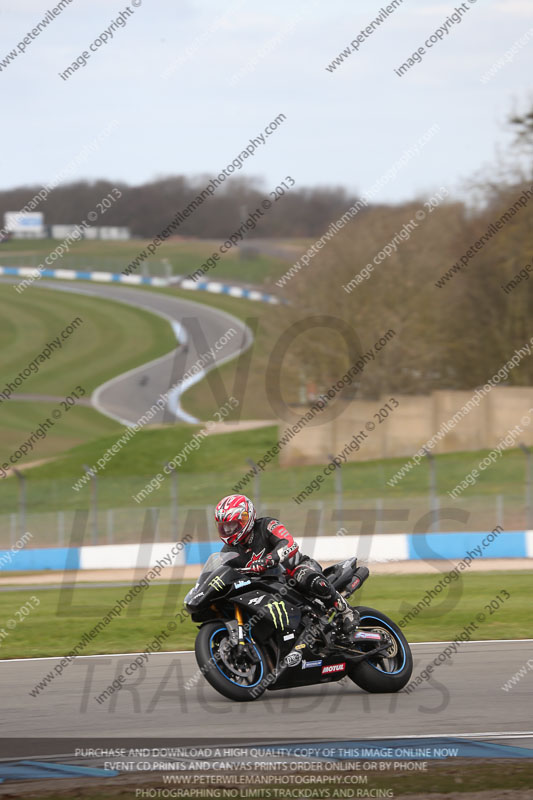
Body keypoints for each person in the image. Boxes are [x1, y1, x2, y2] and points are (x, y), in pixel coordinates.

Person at [214, 493, 359, 636]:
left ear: (246, 518)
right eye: (224, 526)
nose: (228, 530)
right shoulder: (228, 552)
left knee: (307, 578)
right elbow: (226, 572)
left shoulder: (267, 525)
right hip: (267, 585)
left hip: (295, 569)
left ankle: (346, 611)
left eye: (232, 524)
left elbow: (289, 544)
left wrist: (268, 559)